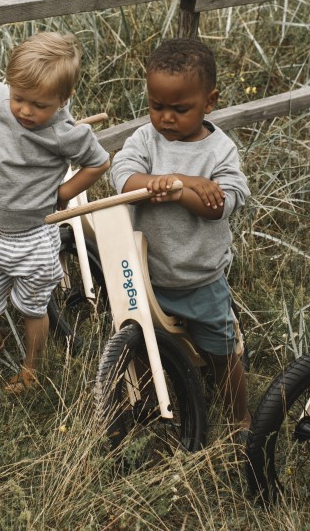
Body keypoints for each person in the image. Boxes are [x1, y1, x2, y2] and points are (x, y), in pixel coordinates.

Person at [0, 4, 109, 393]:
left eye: (40, 105)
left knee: (33, 307)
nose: (26, 111)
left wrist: (62, 194)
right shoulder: (3, 103)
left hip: (34, 237)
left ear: (63, 99)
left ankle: (33, 367)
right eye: (20, 98)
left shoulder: (66, 132)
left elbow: (98, 162)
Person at [109, 37, 251, 434]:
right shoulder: (144, 141)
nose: (166, 117)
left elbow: (222, 204)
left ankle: (240, 417)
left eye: (180, 108)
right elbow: (124, 180)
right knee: (139, 343)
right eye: (157, 106)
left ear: (209, 101)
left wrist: (177, 190)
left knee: (221, 350)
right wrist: (181, 182)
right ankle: (149, 405)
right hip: (146, 276)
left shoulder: (219, 151)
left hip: (199, 275)